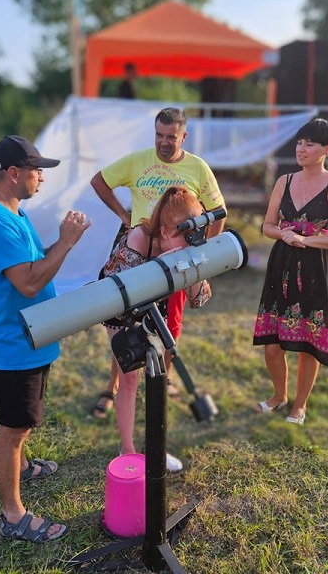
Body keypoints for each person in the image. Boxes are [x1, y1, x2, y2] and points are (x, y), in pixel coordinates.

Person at [0, 135, 91, 543]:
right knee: (13, 430)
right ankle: (13, 515)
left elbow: (34, 263)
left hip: (31, 338)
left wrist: (63, 242)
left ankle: (22, 467)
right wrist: (67, 242)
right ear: (14, 173)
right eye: (37, 170)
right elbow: (29, 282)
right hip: (13, 345)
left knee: (25, 420)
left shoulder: (13, 213)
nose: (42, 178)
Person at [89, 107, 226, 435]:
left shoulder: (198, 168)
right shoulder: (138, 161)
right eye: (158, 135)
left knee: (168, 327)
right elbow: (99, 181)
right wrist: (124, 215)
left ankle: (162, 381)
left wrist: (202, 256)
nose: (164, 142)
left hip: (176, 260)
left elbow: (218, 211)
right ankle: (115, 386)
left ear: (183, 137)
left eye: (171, 137)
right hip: (140, 252)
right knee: (124, 322)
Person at [253, 118, 328, 425]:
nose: (301, 149)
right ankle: (279, 395)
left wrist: (307, 240)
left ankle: (299, 405)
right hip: (281, 265)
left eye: (309, 144)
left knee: (308, 344)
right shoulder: (283, 181)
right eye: (299, 143)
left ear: (326, 150)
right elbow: (267, 226)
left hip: (316, 267)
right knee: (272, 344)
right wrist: (284, 234)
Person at [101, 186, 212, 469]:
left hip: (157, 299)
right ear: (163, 231)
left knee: (158, 373)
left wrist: (195, 270)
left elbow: (200, 300)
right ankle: (127, 451)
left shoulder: (186, 245)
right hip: (119, 302)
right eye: (182, 238)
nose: (186, 245)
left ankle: (156, 447)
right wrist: (157, 268)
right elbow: (120, 298)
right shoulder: (139, 239)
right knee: (129, 378)